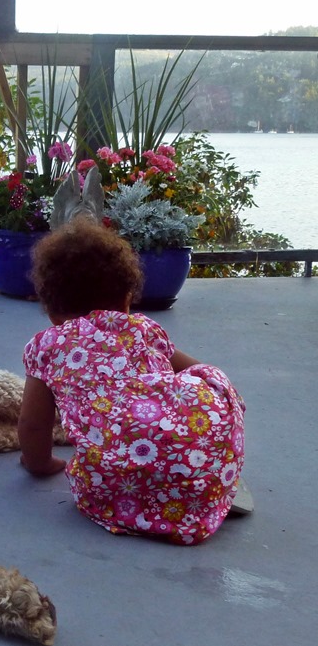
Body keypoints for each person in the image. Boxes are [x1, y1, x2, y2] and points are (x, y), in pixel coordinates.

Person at [18, 218, 247, 545]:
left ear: (52, 312)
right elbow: (198, 369)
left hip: (113, 496)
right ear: (127, 299)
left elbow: (33, 425)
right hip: (195, 472)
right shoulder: (144, 329)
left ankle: (152, 486)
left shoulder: (46, 347)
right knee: (213, 379)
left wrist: (40, 464)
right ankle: (204, 471)